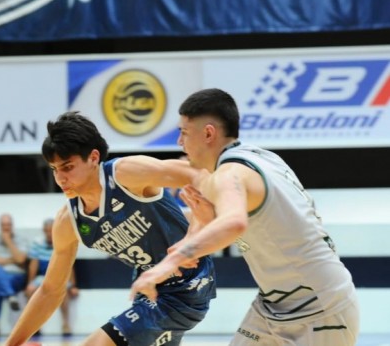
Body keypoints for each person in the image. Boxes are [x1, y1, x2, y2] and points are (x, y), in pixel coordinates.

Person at [131, 88, 360, 345]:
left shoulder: (230, 173)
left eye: (184, 133)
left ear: (208, 133)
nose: (179, 142)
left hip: (319, 307)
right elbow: (254, 221)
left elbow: (234, 223)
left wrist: (166, 265)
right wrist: (203, 227)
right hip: (273, 305)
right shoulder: (261, 157)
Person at [5, 112, 216, 346]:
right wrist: (12, 343)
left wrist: (193, 239)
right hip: (149, 291)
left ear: (93, 157)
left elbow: (201, 173)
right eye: (55, 169)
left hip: (188, 284)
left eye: (68, 167)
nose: (60, 178)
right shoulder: (68, 220)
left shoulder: (125, 174)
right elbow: (50, 291)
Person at [24, 218, 78, 337]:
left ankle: (66, 324)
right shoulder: (37, 243)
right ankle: (34, 326)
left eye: (51, 231)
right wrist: (30, 282)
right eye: (47, 231)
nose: (49, 234)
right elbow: (33, 264)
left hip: (60, 276)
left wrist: (73, 285)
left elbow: (69, 264)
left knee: (64, 291)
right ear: (44, 231)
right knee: (30, 290)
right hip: (43, 276)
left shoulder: (63, 241)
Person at [0, 213, 28, 338]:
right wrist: (11, 260)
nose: (6, 228)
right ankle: (10, 295)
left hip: (16, 278)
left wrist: (8, 241)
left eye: (8, 225)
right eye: (3, 225)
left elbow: (20, 260)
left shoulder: (21, 240)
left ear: (12, 225)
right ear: (0, 226)